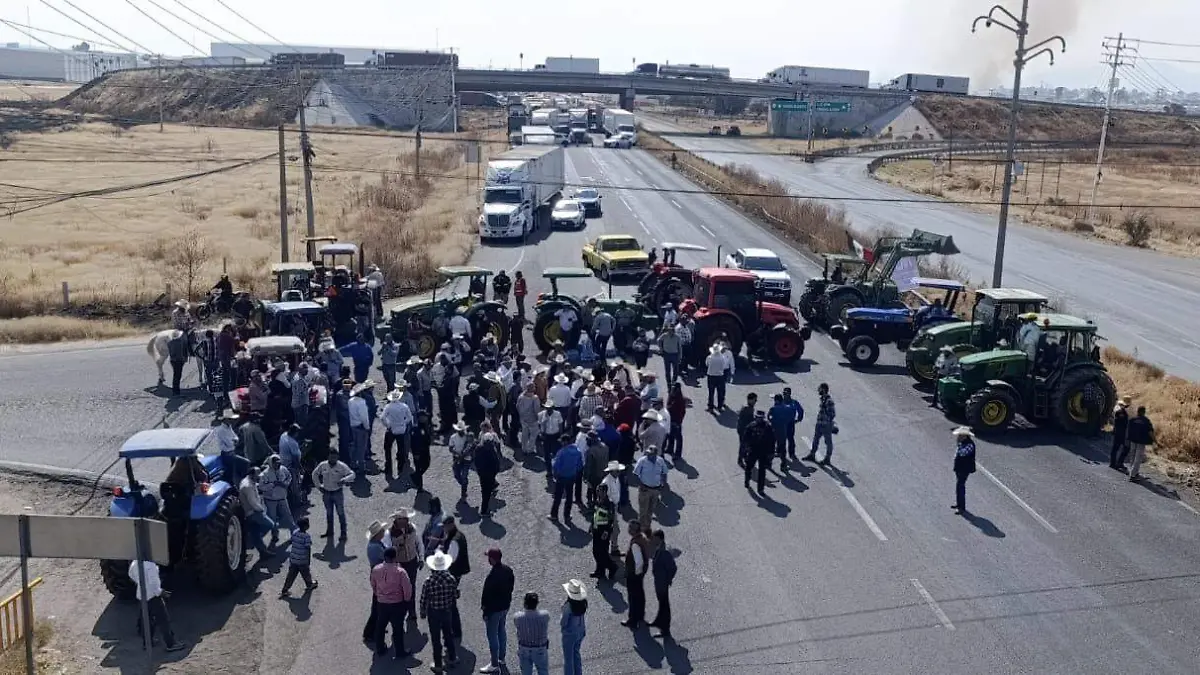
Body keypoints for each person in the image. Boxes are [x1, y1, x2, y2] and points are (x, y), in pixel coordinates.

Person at [129, 558, 185, 651]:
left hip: (141, 595)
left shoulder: (135, 563)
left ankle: (147, 643)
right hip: (153, 597)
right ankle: (170, 644)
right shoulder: (150, 566)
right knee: (163, 620)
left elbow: (130, 574)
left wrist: (141, 583)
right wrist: (162, 592)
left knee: (146, 620)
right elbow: (154, 585)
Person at [419, 550, 460, 672]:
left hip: (434, 612)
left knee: (435, 638)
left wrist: (422, 612)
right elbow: (455, 595)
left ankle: (438, 664)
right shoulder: (451, 579)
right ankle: (452, 657)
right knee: (448, 634)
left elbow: (423, 598)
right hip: (447, 611)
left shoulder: (429, 581)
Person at [371, 547, 413, 659]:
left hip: (382, 603)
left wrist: (379, 595)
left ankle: (380, 648)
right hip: (397, 604)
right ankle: (400, 651)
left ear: (384, 557)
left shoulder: (376, 569)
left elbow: (373, 584)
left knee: (380, 626)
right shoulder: (400, 572)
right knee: (398, 628)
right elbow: (407, 589)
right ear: (395, 557)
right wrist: (407, 601)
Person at [480, 547, 515, 674]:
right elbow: (511, 588)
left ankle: (494, 664)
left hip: (493, 611)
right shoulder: (508, 570)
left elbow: (486, 597)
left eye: (489, 557)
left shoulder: (492, 576)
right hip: (505, 607)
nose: (488, 559)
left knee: (492, 635)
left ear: (493, 559)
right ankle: (501, 658)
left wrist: (485, 613)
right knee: (501, 631)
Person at [312, 449, 354, 540]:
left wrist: (344, 480)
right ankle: (329, 532)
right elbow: (314, 474)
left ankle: (343, 533)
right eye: (331, 457)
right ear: (328, 456)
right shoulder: (323, 465)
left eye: (335, 457)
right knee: (329, 513)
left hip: (337, 492)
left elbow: (352, 474)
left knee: (340, 513)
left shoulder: (341, 466)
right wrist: (319, 486)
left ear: (337, 457)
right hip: (326, 493)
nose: (333, 459)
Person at [239, 467, 275, 561]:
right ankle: (252, 539)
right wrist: (261, 510)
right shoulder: (248, 486)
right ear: (251, 475)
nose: (259, 478)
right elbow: (253, 502)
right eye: (257, 476)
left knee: (255, 533)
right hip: (253, 512)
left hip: (251, 512)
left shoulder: (250, 481)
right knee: (270, 524)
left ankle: (263, 552)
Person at [259, 454, 294, 548]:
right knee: (272, 518)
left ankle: (293, 534)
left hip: (282, 498)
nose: (278, 465)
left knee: (288, 516)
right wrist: (272, 485)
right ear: (271, 463)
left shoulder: (283, 469)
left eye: (279, 463)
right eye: (275, 463)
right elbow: (261, 487)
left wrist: (285, 484)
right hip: (270, 500)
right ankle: (275, 535)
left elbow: (289, 477)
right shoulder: (264, 474)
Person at [621, 522, 650, 629]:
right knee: (640, 595)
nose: (628, 529)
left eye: (630, 528)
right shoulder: (642, 538)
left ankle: (632, 620)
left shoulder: (635, 544)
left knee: (633, 597)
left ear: (633, 530)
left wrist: (636, 575)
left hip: (634, 574)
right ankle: (640, 615)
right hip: (640, 573)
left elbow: (638, 561)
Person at [513, 592, 550, 675]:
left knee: (526, 673)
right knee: (543, 671)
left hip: (524, 648)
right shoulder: (545, 615)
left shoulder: (518, 617)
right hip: (540, 649)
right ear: (537, 603)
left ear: (525, 603)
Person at [279, 516, 317, 597]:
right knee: (306, 573)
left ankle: (285, 589)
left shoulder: (295, 532)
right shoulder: (306, 536)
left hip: (293, 559)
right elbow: (307, 549)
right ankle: (310, 584)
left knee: (291, 575)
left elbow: (291, 541)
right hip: (302, 560)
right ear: (306, 526)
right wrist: (308, 560)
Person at [649, 529, 677, 639]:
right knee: (662, 603)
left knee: (664, 605)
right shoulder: (659, 548)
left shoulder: (665, 552)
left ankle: (665, 629)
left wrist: (667, 579)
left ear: (660, 539)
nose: (652, 540)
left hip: (662, 583)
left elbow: (673, 568)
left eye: (654, 538)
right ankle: (658, 621)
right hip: (659, 581)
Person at [633, 445, 668, 531]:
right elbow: (635, 474)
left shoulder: (660, 461)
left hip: (656, 490)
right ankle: (640, 531)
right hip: (644, 489)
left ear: (655, 454)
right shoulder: (642, 461)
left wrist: (663, 483)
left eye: (650, 454)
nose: (648, 455)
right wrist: (641, 485)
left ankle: (647, 528)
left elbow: (664, 472)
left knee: (650, 511)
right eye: (648, 453)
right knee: (643, 512)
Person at [382, 386, 413, 479]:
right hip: (401, 429)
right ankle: (400, 467)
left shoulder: (388, 406)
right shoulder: (404, 406)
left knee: (387, 448)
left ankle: (388, 468)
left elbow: (382, 418)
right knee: (401, 448)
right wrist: (403, 423)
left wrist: (388, 425)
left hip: (391, 429)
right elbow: (409, 418)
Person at [551, 435, 584, 523]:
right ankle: (567, 515)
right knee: (569, 496)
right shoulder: (577, 451)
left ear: (565, 442)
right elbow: (579, 465)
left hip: (562, 476)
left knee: (558, 495)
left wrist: (555, 474)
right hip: (572, 476)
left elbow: (556, 465)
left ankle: (554, 515)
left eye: (562, 441)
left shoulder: (561, 452)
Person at [589, 483, 618, 580]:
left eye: (599, 491)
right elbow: (595, 515)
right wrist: (591, 525)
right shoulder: (597, 501)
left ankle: (612, 567)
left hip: (604, 532)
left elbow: (611, 519)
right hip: (596, 530)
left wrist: (606, 531)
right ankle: (600, 571)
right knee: (595, 551)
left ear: (605, 492)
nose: (597, 492)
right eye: (597, 490)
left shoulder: (609, 504)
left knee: (603, 553)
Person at [803, 383, 836, 466]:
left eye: (820, 389)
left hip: (826, 425)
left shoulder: (829, 401)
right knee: (815, 440)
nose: (818, 390)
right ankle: (812, 455)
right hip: (820, 423)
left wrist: (828, 421)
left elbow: (832, 414)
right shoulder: (823, 399)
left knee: (828, 442)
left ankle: (827, 459)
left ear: (823, 389)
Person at [560, 580, 588, 675]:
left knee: (568, 659)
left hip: (570, 634)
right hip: (580, 631)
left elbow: (563, 622)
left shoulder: (568, 606)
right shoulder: (583, 603)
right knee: (576, 654)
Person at [744, 410, 775, 494]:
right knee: (749, 467)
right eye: (758, 418)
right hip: (753, 450)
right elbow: (746, 438)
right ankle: (747, 480)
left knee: (762, 471)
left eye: (761, 418)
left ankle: (760, 489)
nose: (759, 419)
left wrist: (771, 452)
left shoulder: (768, 427)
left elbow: (772, 440)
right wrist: (746, 449)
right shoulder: (751, 426)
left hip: (763, 452)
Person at [476, 426, 502, 517]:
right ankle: (483, 511)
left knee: (485, 490)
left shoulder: (479, 448)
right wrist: (496, 471)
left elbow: (476, 462)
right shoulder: (491, 450)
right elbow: (496, 463)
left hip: (482, 474)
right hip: (489, 474)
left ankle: (493, 485)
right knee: (486, 493)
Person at [1126, 405, 1156, 481]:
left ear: (1138, 411)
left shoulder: (1132, 420)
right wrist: (1155, 441)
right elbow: (1150, 432)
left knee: (1132, 456)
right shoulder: (1146, 421)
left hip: (1132, 441)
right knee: (1138, 458)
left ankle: (1133, 471)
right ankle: (1133, 475)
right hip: (1141, 442)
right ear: (1143, 412)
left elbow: (1128, 429)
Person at [952, 426, 977, 514]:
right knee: (959, 487)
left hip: (964, 469)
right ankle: (959, 504)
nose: (958, 437)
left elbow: (962, 453)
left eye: (960, 435)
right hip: (960, 468)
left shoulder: (969, 444)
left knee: (960, 487)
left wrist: (958, 445)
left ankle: (961, 507)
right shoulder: (963, 443)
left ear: (965, 436)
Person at [348, 382, 372, 471]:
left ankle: (353, 463)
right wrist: (367, 427)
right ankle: (362, 467)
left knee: (354, 446)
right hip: (361, 427)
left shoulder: (350, 401)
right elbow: (364, 417)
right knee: (362, 447)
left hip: (353, 425)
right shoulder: (361, 402)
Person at [449, 422, 475, 503]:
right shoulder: (453, 437)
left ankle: (463, 492)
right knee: (456, 474)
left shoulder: (468, 436)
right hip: (456, 458)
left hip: (466, 459)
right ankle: (464, 484)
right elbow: (450, 448)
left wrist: (464, 455)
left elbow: (471, 446)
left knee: (464, 475)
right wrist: (457, 454)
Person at [538, 401, 565, 478]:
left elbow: (560, 425)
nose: (549, 410)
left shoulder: (557, 414)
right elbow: (540, 425)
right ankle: (549, 471)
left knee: (557, 454)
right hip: (546, 436)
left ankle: (557, 470)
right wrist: (541, 434)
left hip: (555, 436)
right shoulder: (541, 415)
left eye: (550, 408)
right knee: (546, 455)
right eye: (547, 408)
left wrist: (561, 436)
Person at [768, 394, 792, 473]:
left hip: (774, 430)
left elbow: (769, 417)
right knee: (782, 449)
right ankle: (783, 465)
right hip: (783, 431)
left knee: (771, 448)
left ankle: (769, 463)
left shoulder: (773, 408)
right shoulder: (786, 408)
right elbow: (790, 418)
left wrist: (772, 422)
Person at [663, 383, 689, 458]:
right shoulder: (672, 397)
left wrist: (679, 421)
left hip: (676, 421)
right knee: (670, 435)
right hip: (670, 420)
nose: (672, 390)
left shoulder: (680, 400)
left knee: (678, 438)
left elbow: (682, 412)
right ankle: (670, 449)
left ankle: (678, 454)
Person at [1110, 395, 1132, 471]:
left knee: (1115, 448)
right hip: (1122, 433)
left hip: (1117, 431)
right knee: (1125, 448)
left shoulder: (1118, 409)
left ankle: (1114, 463)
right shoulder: (1122, 412)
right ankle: (1118, 463)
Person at [736, 393, 758, 468]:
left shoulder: (748, 406)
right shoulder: (748, 408)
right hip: (744, 429)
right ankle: (740, 460)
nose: (756, 401)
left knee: (746, 444)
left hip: (743, 428)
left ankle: (744, 457)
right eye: (755, 400)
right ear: (750, 400)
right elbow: (749, 420)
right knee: (744, 445)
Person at [166, 329, 190, 396]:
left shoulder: (170, 342)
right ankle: (176, 391)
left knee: (176, 375)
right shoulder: (180, 342)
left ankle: (176, 390)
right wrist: (184, 358)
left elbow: (171, 352)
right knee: (177, 376)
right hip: (178, 360)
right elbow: (182, 351)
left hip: (173, 360)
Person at [704, 344, 727, 410]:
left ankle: (710, 406)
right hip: (720, 376)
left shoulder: (709, 357)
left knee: (711, 392)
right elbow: (724, 366)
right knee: (720, 392)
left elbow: (707, 364)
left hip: (711, 376)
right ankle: (720, 406)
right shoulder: (722, 357)